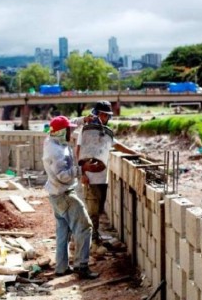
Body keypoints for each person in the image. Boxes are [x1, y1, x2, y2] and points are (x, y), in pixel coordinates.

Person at [42, 115, 103, 279]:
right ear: (62, 132)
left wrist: (84, 119)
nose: (71, 131)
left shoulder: (52, 138)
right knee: (85, 227)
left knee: (63, 232)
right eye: (68, 130)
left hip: (55, 195)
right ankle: (81, 266)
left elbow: (69, 123)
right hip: (64, 195)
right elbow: (63, 176)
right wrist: (83, 169)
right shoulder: (56, 152)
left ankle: (61, 267)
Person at [76, 101, 140, 245]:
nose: (105, 118)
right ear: (97, 114)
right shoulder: (86, 131)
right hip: (90, 177)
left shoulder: (104, 132)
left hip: (102, 177)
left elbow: (117, 145)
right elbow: (78, 152)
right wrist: (83, 173)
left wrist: (135, 153)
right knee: (92, 210)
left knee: (98, 209)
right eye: (103, 115)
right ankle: (90, 242)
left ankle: (94, 237)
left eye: (107, 115)